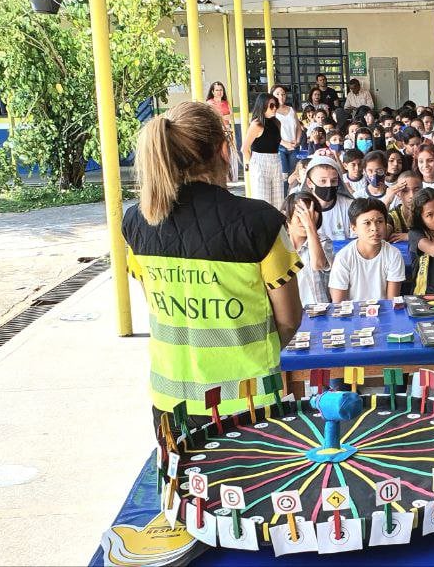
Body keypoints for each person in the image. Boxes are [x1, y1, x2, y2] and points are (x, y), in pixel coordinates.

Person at [122, 101, 302, 430]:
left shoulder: (137, 220)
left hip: (170, 405)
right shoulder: (259, 221)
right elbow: (289, 320)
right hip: (249, 405)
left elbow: (159, 305)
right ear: (223, 149)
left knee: (184, 483)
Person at [329, 198, 406, 302]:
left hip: (383, 313)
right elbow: (338, 304)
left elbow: (391, 301)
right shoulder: (344, 257)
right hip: (352, 315)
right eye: (367, 223)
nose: (374, 228)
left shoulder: (393, 254)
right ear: (354, 228)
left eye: (379, 221)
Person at [284, 191, 334, 306]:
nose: (305, 219)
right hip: (292, 313)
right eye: (300, 214)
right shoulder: (279, 245)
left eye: (310, 214)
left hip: (320, 310)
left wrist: (310, 226)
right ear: (286, 216)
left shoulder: (323, 241)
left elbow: (318, 264)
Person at [242, 93, 285, 210]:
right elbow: (245, 148)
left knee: (278, 200)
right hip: (259, 161)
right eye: (271, 105)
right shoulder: (256, 124)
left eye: (275, 105)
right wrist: (250, 164)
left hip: (275, 160)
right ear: (263, 106)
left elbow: (274, 141)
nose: (275, 108)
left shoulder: (277, 123)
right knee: (262, 200)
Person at [302, 156, 354, 241]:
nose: (329, 185)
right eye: (323, 181)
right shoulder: (302, 210)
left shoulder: (350, 206)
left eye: (333, 181)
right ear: (309, 183)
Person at [205, 81, 239, 182]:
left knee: (228, 154)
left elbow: (231, 117)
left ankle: (227, 176)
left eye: (221, 90)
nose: (219, 92)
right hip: (216, 131)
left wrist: (222, 117)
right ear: (212, 91)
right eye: (217, 90)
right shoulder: (209, 103)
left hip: (227, 130)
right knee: (220, 154)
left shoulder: (226, 103)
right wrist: (223, 117)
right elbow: (212, 118)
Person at [271, 86, 300, 179]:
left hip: (294, 146)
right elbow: (271, 132)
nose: (281, 96)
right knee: (283, 175)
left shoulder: (291, 110)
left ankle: (291, 193)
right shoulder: (271, 111)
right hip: (279, 147)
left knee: (294, 174)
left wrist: (297, 141)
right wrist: (284, 143)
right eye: (278, 94)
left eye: (283, 94)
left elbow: (298, 127)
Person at [386, 170, 421, 241]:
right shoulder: (393, 215)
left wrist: (410, 236)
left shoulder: (428, 211)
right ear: (398, 194)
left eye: (416, 190)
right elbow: (380, 238)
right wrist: (387, 202)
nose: (412, 195)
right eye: (405, 191)